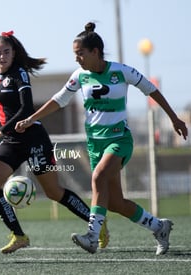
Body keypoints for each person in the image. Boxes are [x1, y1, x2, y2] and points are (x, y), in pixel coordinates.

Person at [15, 22, 188, 255]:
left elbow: (150, 89)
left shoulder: (121, 71)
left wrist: (174, 119)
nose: (77, 59)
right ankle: (159, 227)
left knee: (97, 178)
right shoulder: (79, 76)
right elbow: (59, 100)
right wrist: (31, 119)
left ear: (95, 52)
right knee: (115, 202)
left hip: (119, 140)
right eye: (75, 54)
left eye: (80, 54)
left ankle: (92, 237)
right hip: (95, 144)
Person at [0, 30, 109, 254]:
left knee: (54, 192)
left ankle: (98, 226)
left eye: (6, 52)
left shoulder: (19, 74)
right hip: (12, 140)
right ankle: (19, 235)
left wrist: (0, 131)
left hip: (33, 138)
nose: (2, 56)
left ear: (13, 53)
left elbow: (26, 108)